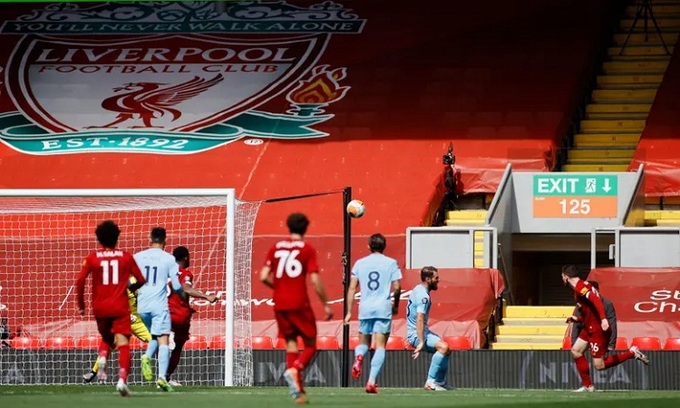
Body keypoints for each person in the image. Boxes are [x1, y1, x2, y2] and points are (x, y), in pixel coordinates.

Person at [260, 213, 333, 404]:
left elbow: (264, 276)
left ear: (288, 226)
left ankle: (298, 392)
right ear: (305, 228)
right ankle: (296, 369)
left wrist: (279, 288)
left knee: (291, 343)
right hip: (299, 303)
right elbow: (315, 280)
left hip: (280, 304)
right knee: (310, 345)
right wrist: (326, 304)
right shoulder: (307, 249)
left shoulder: (276, 247)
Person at [75, 220, 146, 397]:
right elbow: (141, 279)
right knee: (123, 343)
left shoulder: (92, 258)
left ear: (99, 239)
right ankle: (122, 380)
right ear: (117, 237)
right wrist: (132, 288)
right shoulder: (126, 257)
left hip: (100, 308)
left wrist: (81, 305)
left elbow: (80, 280)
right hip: (120, 306)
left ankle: (103, 357)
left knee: (107, 338)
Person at [562, 265, 649, 392]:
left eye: (562, 276)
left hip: (596, 330)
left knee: (599, 365)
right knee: (576, 351)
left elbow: (596, 300)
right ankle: (588, 386)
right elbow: (590, 311)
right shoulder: (582, 286)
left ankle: (632, 353)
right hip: (588, 327)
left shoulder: (581, 287)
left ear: (565, 277)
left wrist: (603, 319)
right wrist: (578, 320)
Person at [343, 233, 402, 394]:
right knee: (380, 345)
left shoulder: (360, 263)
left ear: (368, 246)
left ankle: (359, 357)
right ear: (384, 246)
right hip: (383, 307)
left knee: (363, 343)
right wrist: (396, 305)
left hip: (365, 307)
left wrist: (348, 312)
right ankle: (371, 381)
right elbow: (397, 287)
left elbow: (351, 288)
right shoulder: (391, 263)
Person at [134, 227, 183, 391]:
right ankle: (161, 376)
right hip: (159, 305)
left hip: (142, 306)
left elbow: (128, 279)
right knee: (164, 340)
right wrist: (182, 295)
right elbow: (176, 286)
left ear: (150, 238)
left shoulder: (138, 257)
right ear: (165, 240)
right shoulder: (169, 259)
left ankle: (148, 358)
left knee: (155, 336)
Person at [82, 275, 152, 383]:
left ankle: (164, 376)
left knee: (155, 342)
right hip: (123, 320)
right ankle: (93, 372)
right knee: (110, 344)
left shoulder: (146, 283)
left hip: (137, 322)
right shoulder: (124, 285)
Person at [165, 246, 218, 386]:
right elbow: (186, 289)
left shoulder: (165, 272)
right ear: (185, 258)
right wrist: (206, 296)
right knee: (178, 347)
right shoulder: (185, 273)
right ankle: (165, 377)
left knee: (160, 342)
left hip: (163, 313)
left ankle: (161, 373)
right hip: (179, 315)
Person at [406, 266, 452, 391]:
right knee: (443, 347)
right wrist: (421, 341)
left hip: (420, 332)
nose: (438, 280)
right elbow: (419, 318)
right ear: (428, 279)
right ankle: (430, 382)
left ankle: (440, 382)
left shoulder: (418, 289)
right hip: (417, 334)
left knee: (447, 350)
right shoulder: (424, 297)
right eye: (436, 278)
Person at [569, 280, 617, 352]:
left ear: (597, 291)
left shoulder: (607, 304)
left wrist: (611, 345)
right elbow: (576, 326)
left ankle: (631, 353)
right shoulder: (581, 305)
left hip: (602, 339)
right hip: (586, 339)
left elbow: (612, 324)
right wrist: (574, 343)